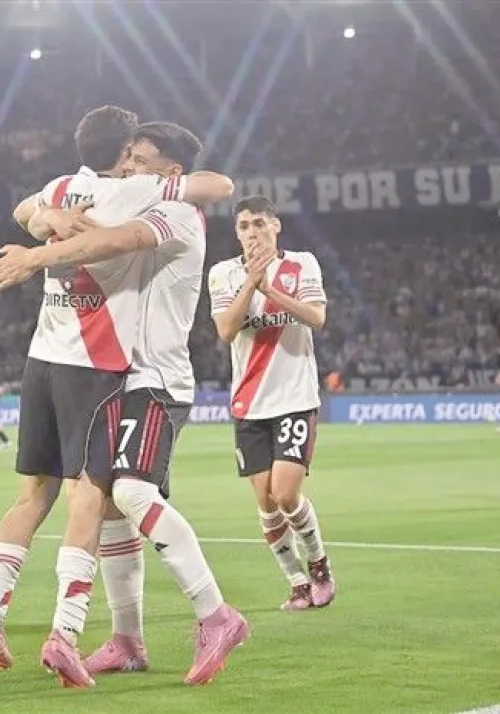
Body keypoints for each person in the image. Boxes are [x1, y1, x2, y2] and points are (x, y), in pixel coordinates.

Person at [0, 106, 234, 687]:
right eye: (132, 155)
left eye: (146, 161)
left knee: (118, 493)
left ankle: (214, 615)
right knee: (106, 503)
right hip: (108, 370)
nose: (135, 166)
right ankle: (126, 639)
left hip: (150, 378)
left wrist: (39, 242)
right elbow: (63, 220)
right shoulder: (130, 192)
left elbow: (118, 235)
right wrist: (50, 223)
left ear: (170, 171)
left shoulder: (168, 209)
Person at [207, 196, 337, 611]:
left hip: (295, 397)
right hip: (249, 403)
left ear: (276, 226)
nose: (252, 232)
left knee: (284, 494)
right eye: (244, 226)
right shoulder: (223, 274)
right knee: (265, 502)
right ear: (237, 233)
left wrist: (270, 289)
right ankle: (297, 582)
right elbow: (227, 330)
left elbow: (316, 318)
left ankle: (319, 564)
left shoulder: (302, 264)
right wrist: (251, 283)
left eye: (259, 223)